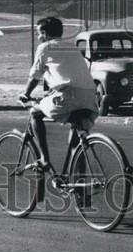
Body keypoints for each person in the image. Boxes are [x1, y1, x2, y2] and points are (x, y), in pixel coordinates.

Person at [22, 17, 99, 170]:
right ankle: (78, 187)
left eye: (38, 34)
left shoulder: (45, 47)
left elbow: (35, 76)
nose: (38, 38)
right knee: (77, 143)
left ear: (44, 33)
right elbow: (69, 74)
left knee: (35, 113)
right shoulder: (72, 47)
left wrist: (25, 94)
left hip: (68, 97)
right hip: (90, 98)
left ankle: (44, 159)